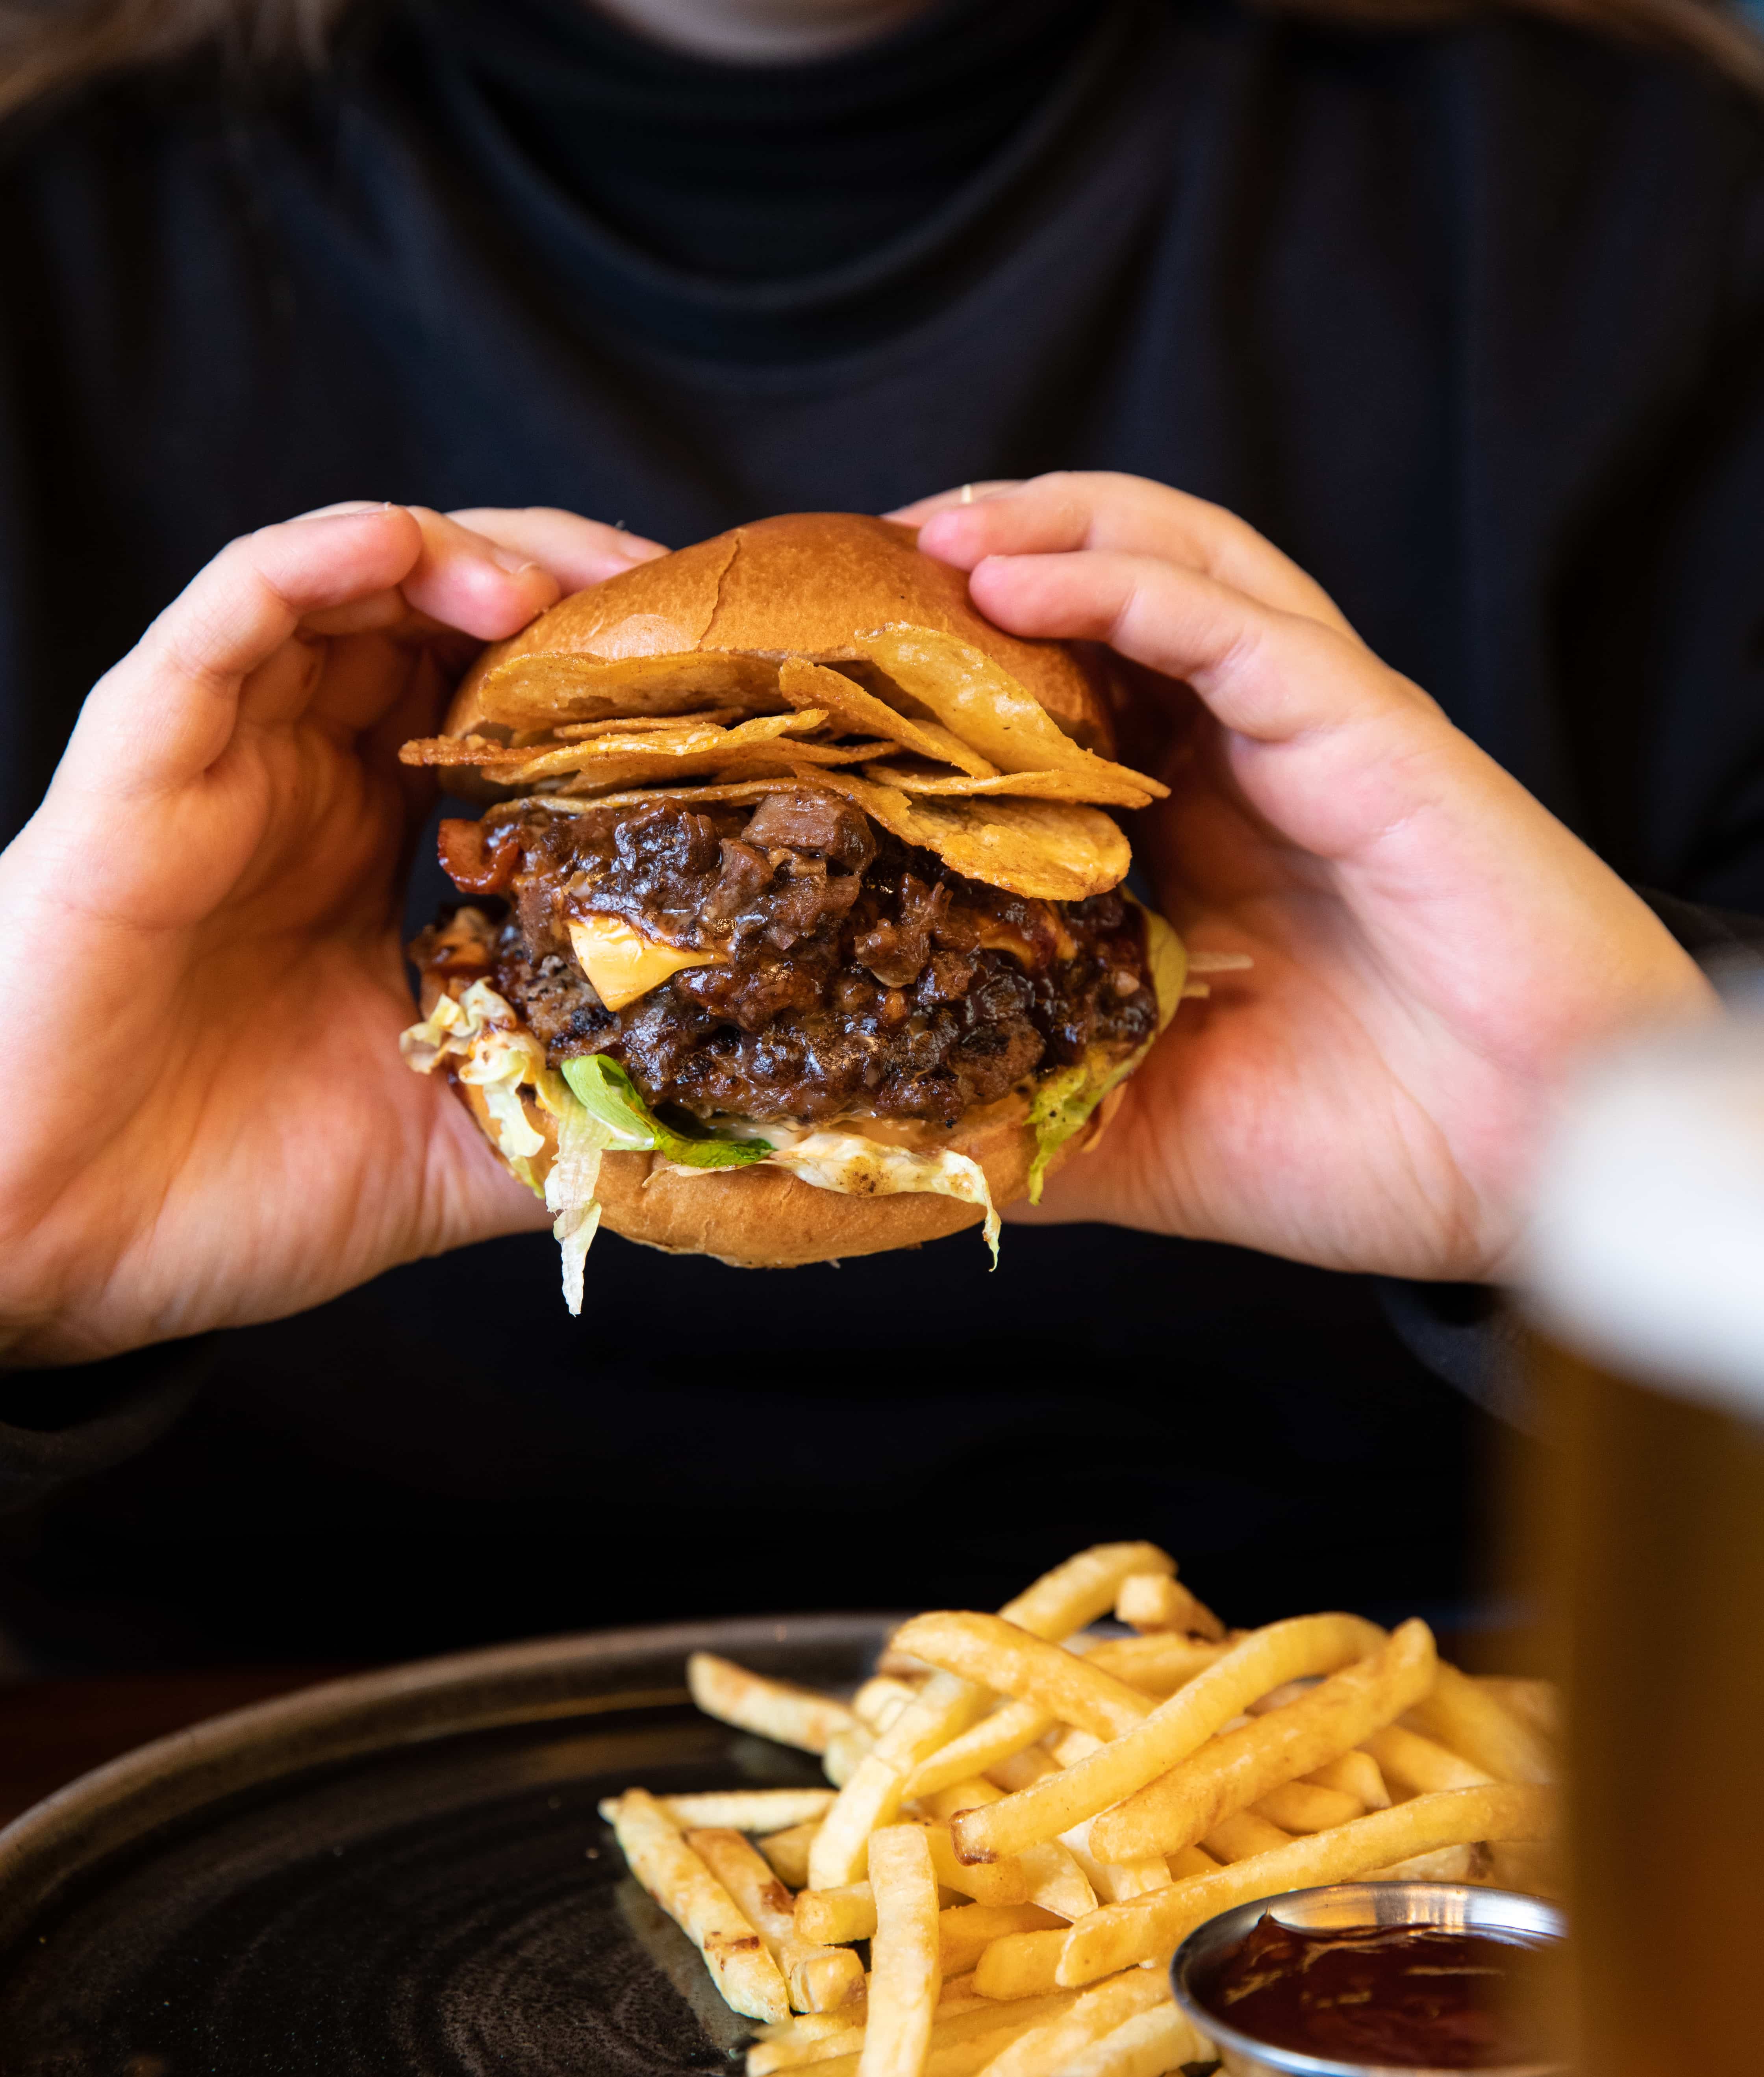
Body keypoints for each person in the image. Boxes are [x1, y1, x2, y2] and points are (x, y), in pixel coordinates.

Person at [0, 0, 1760, 1665]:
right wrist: (21, 1263)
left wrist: (1627, 1171)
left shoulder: (1649, 211)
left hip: (1384, 1730)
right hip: (203, 1737)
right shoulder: (55, 240)